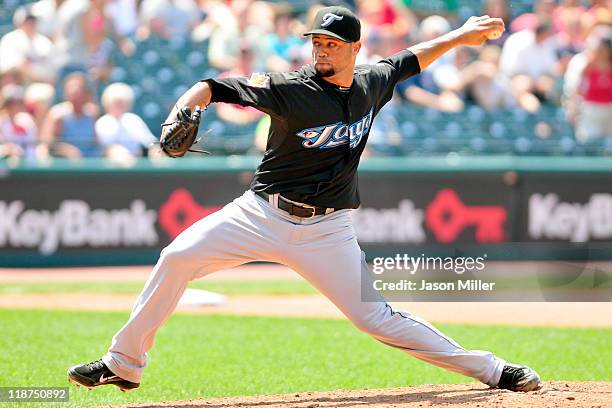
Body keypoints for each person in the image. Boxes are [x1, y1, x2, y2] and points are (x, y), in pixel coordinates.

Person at [67, 7, 541, 393]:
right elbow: (213, 86)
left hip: (326, 230)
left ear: (356, 48)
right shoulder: (290, 88)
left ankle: (493, 370)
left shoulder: (372, 82)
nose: (322, 49)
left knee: (375, 317)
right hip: (260, 213)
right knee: (177, 257)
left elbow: (414, 56)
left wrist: (459, 34)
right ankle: (124, 363)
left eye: (332, 43)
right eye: (317, 42)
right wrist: (184, 109)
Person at [95, 82, 158, 161]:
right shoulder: (102, 122)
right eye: (116, 102)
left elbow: (151, 142)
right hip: (111, 166)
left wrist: (156, 152)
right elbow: (105, 148)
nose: (119, 106)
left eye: (122, 102)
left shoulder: (133, 119)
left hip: (137, 163)